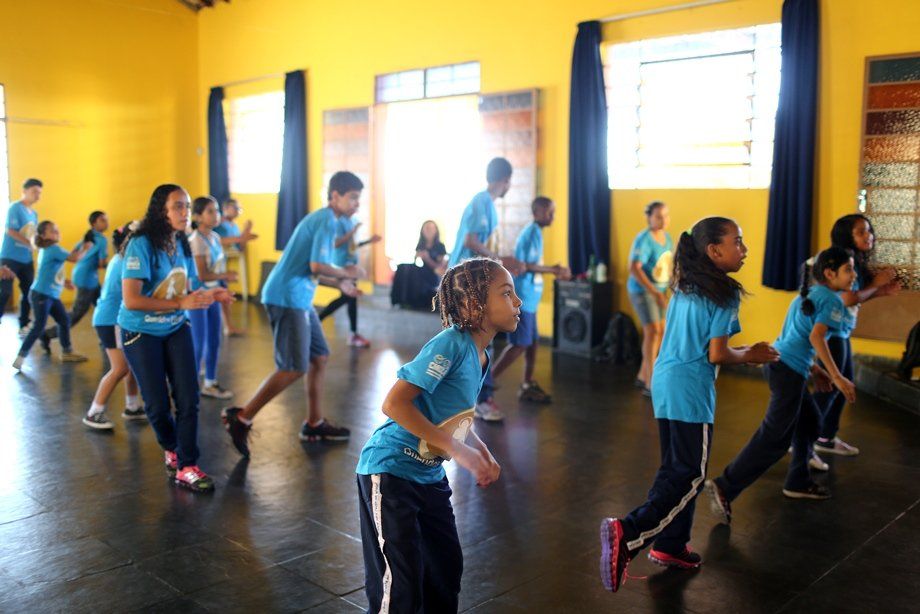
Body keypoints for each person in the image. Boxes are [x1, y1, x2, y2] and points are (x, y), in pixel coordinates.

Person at [600, 217, 780, 592]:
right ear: (714, 251)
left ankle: (671, 545)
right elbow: (715, 354)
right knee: (691, 474)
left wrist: (749, 351)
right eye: (738, 242)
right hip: (690, 388)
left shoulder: (686, 284)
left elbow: (704, 345)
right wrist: (750, 356)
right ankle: (628, 533)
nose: (744, 250)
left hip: (666, 381)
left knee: (675, 468)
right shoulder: (724, 292)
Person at [356, 258, 512, 613]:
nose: (517, 302)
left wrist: (481, 451)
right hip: (391, 471)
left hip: (428, 476)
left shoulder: (482, 355)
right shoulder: (451, 344)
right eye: (506, 293)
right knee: (401, 587)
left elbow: (455, 417)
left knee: (445, 570)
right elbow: (394, 404)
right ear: (475, 305)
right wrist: (459, 452)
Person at [705, 247, 859, 526]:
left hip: (783, 364)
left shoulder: (807, 295)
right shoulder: (832, 301)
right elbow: (816, 337)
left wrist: (815, 369)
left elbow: (794, 337)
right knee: (776, 437)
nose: (854, 275)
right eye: (848, 269)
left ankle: (798, 480)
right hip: (787, 371)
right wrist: (836, 376)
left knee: (811, 422)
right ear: (829, 273)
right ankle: (725, 486)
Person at [221, 171, 365, 457]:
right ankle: (242, 418)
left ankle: (314, 423)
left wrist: (341, 283)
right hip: (286, 297)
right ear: (334, 195)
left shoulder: (329, 221)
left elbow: (313, 269)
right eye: (352, 198)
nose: (356, 204)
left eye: (358, 199)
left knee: (318, 356)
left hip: (299, 297)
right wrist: (346, 272)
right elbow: (316, 266)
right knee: (293, 366)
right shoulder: (325, 221)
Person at [118, 184, 232, 493]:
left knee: (188, 398)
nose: (185, 212)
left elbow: (188, 284)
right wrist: (181, 304)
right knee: (156, 405)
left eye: (187, 206)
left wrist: (211, 293)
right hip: (141, 332)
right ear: (161, 211)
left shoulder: (180, 241)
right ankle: (172, 448)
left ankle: (187, 465)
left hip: (175, 327)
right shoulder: (140, 244)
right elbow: (131, 299)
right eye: (178, 207)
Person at [810, 215, 899, 458]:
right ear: (846, 235)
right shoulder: (840, 258)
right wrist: (877, 285)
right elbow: (846, 298)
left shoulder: (852, 260)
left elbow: (854, 296)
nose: (868, 235)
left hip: (840, 330)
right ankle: (803, 437)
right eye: (861, 231)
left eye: (869, 230)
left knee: (841, 386)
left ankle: (824, 437)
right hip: (831, 332)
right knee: (834, 386)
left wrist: (880, 292)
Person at [449, 157, 524, 422]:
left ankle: (472, 396)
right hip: (464, 280)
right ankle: (478, 399)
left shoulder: (487, 205)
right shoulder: (481, 202)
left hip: (475, 280)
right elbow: (471, 241)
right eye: (509, 181)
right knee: (477, 339)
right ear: (504, 180)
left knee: (477, 340)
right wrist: (498, 260)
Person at [491, 196, 570, 403]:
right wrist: (553, 269)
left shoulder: (537, 233)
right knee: (519, 344)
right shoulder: (531, 232)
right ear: (536, 213)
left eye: (553, 212)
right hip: (524, 298)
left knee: (532, 343)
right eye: (548, 212)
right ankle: (486, 383)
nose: (552, 216)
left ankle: (527, 384)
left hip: (532, 300)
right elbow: (524, 265)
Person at [82, 222, 145, 429]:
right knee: (120, 368)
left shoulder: (122, 259)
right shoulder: (126, 262)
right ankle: (94, 412)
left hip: (113, 319)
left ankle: (132, 406)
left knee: (131, 364)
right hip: (111, 321)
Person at [13, 221, 93, 370]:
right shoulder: (53, 248)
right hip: (42, 295)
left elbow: (49, 272)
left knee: (64, 320)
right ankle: (21, 356)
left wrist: (64, 282)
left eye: (57, 230)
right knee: (39, 325)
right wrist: (86, 248)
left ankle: (67, 351)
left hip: (49, 295)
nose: (57, 232)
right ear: (43, 235)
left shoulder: (48, 249)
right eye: (52, 231)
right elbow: (74, 258)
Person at [188, 196, 238, 399]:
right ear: (198, 216)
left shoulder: (215, 237)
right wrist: (225, 276)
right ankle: (189, 387)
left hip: (214, 295)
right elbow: (201, 275)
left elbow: (216, 269)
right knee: (198, 342)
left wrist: (222, 285)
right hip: (198, 296)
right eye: (210, 211)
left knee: (214, 339)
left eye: (216, 210)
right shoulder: (196, 240)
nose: (216, 215)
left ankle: (210, 382)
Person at [41, 210, 109, 349]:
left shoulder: (86, 237)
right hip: (87, 279)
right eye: (102, 220)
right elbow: (102, 264)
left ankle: (106, 338)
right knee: (78, 312)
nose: (106, 222)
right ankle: (47, 334)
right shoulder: (101, 240)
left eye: (106, 219)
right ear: (94, 223)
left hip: (84, 276)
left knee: (103, 306)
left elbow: (73, 254)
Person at [627, 201, 673, 396]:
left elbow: (667, 266)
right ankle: (650, 381)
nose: (663, 220)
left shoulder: (667, 238)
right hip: (642, 290)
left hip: (660, 291)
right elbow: (634, 268)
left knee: (661, 330)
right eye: (658, 216)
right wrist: (655, 292)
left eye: (665, 215)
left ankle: (642, 374)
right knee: (652, 330)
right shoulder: (643, 239)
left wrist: (668, 288)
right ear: (649, 218)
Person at [317, 212, 381, 348]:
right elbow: (335, 243)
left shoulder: (350, 221)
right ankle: (317, 321)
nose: (356, 204)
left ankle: (352, 334)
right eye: (353, 199)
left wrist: (369, 241)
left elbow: (352, 245)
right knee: (348, 297)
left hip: (350, 266)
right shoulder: (339, 222)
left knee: (351, 298)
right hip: (341, 265)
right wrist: (353, 231)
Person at [1, 178, 42, 337]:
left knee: (28, 292)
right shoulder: (15, 208)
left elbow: (34, 234)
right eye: (34, 192)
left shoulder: (34, 214)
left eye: (39, 193)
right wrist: (28, 243)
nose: (37, 196)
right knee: (4, 291)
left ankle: (23, 324)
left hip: (26, 259)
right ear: (24, 191)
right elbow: (10, 230)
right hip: (10, 257)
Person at [213, 198, 256, 335]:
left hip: (221, 265)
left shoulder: (234, 226)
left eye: (239, 209)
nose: (238, 211)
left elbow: (240, 246)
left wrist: (245, 232)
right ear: (226, 209)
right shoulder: (217, 224)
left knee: (225, 295)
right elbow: (218, 240)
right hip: (213, 265)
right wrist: (241, 238)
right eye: (235, 208)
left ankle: (228, 327)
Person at [390, 220, 447, 310]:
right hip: (421, 274)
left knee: (415, 274)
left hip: (432, 277)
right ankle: (400, 299)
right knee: (403, 267)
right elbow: (415, 262)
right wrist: (418, 256)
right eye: (427, 228)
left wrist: (427, 259)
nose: (429, 230)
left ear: (436, 230)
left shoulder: (440, 246)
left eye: (431, 228)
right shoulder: (421, 245)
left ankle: (412, 300)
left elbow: (440, 270)